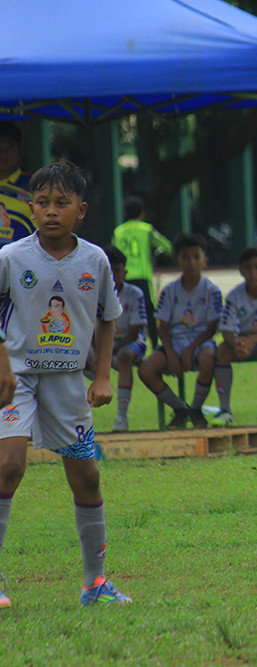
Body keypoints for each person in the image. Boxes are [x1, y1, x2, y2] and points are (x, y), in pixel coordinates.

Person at [0, 161, 130, 608]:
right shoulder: (12, 258)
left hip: (67, 383)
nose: (50, 211)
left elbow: (107, 318)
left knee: (88, 478)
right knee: (9, 465)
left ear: (82, 209)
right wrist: (1, 363)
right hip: (15, 379)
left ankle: (95, 584)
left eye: (61, 203)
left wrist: (102, 374)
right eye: (42, 203)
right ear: (31, 208)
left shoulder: (94, 260)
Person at [138, 233, 222, 429]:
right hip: (173, 342)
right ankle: (180, 408)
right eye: (185, 257)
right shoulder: (170, 290)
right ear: (178, 261)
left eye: (196, 257)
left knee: (208, 358)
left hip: (201, 342)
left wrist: (190, 349)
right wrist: (171, 353)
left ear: (205, 261)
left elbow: (212, 328)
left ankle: (196, 407)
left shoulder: (212, 290)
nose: (191, 262)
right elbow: (163, 327)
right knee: (146, 369)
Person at [209, 245, 257, 427]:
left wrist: (251, 341)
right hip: (243, 343)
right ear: (240, 270)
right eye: (247, 268)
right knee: (222, 351)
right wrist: (236, 344)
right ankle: (225, 410)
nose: (252, 273)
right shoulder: (235, 295)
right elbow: (226, 328)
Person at [112, 195, 172, 346]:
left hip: (123, 275)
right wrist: (157, 253)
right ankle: (153, 343)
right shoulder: (147, 229)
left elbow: (113, 252)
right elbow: (167, 247)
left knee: (123, 310)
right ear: (142, 213)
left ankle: (121, 340)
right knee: (149, 312)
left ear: (125, 212)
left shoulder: (118, 231)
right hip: (142, 276)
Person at [103, 245, 147, 433]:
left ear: (125, 272)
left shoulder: (134, 294)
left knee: (125, 356)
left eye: (117, 271)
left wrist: (111, 348)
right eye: (108, 271)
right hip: (103, 345)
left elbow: (135, 332)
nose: (113, 275)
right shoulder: (95, 293)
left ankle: (121, 415)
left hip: (129, 344)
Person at [0, 123, 35, 251]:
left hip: (25, 264)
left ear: (19, 149)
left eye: (9, 148)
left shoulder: (35, 185)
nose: (3, 154)